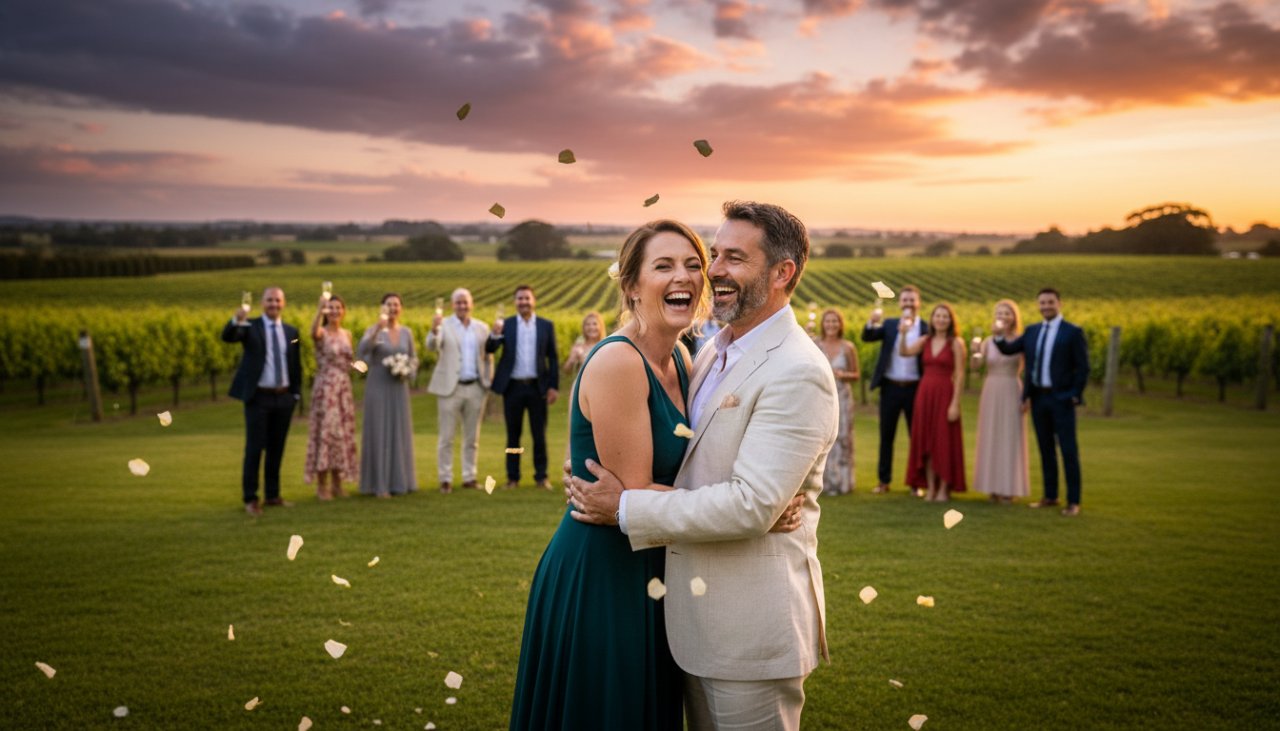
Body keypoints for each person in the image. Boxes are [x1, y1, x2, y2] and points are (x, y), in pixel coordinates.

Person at [568, 200, 838, 731]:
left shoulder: (797, 369)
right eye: (713, 255)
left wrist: (624, 505)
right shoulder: (709, 351)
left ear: (782, 272)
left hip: (749, 631)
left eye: (734, 258)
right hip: (689, 619)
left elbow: (750, 506)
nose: (713, 271)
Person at [510, 219, 706, 730]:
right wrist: (752, 505)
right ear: (632, 285)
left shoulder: (681, 358)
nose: (682, 276)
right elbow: (634, 495)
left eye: (693, 265)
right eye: (663, 266)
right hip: (603, 570)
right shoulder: (619, 361)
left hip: (653, 564)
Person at [993, 288, 1089, 516]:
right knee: (1045, 449)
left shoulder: (1072, 332)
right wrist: (998, 335)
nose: (1046, 306)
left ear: (1059, 304)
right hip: (1038, 398)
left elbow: (1083, 367)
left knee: (1068, 451)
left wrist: (1074, 394)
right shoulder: (1032, 331)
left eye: (1050, 302)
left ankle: (1073, 501)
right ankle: (1050, 496)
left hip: (1062, 399)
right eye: (1042, 303)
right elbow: (1008, 349)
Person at [221, 286, 302, 516]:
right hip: (259, 398)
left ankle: (273, 495)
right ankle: (251, 498)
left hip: (284, 398)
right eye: (269, 300)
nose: (273, 304)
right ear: (262, 303)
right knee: (255, 448)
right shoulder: (250, 327)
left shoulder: (291, 331)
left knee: (277, 448)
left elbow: (295, 364)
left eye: (277, 300)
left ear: (283, 303)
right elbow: (228, 337)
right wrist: (236, 320)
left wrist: (295, 395)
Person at [487, 285, 559, 490]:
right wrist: (494, 334)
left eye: (527, 298)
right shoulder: (506, 325)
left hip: (537, 388)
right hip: (513, 388)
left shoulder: (546, 325)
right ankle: (513, 478)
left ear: (533, 301)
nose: (524, 302)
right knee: (513, 436)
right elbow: (490, 348)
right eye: (520, 299)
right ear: (515, 302)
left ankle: (541, 477)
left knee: (539, 435)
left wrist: (553, 386)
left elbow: (553, 358)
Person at [861, 285, 929, 495]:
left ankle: (916, 484)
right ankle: (884, 481)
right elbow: (868, 337)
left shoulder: (926, 328)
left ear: (918, 303)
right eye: (905, 300)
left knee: (916, 437)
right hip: (890, 387)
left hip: (915, 389)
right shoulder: (891, 324)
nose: (908, 303)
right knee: (886, 436)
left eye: (912, 300)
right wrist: (871, 322)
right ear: (900, 303)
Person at [898, 303, 967, 502]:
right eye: (938, 316)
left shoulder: (956, 343)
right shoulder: (925, 340)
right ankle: (930, 488)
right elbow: (904, 352)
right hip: (925, 394)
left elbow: (960, 375)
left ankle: (944, 488)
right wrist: (903, 334)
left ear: (951, 320)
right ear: (932, 319)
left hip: (945, 394)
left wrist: (955, 403)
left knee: (943, 441)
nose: (941, 320)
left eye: (945, 316)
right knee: (926, 441)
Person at [426, 288, 492, 493]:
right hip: (450, 389)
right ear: (452, 305)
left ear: (471, 304)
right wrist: (434, 330)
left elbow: (488, 356)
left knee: (472, 438)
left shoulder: (482, 327)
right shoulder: (443, 325)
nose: (462, 306)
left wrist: (487, 381)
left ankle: (469, 476)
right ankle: (445, 478)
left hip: (475, 388)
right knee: (446, 437)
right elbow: (431, 346)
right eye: (458, 302)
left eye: (465, 302)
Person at [357, 293, 418, 497]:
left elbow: (414, 358)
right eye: (388, 305)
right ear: (382, 308)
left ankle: (400, 482)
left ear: (401, 308)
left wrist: (407, 370)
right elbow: (362, 350)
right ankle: (379, 484)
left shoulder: (407, 332)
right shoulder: (373, 330)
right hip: (378, 385)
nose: (392, 308)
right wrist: (377, 329)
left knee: (399, 430)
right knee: (379, 429)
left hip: (398, 387)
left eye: (396, 304)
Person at [973, 299, 1030, 503]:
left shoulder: (1021, 340)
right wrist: (975, 351)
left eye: (1007, 313)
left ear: (1014, 317)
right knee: (991, 436)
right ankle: (992, 488)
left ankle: (1009, 488)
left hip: (1011, 387)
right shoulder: (988, 341)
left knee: (1010, 437)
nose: (1003, 317)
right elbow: (975, 367)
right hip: (991, 388)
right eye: (999, 313)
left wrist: (1027, 397)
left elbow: (1028, 369)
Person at [304, 294, 358, 500]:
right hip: (326, 389)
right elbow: (313, 333)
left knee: (340, 435)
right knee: (326, 433)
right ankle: (321, 485)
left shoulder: (347, 334)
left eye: (338, 308)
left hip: (343, 388)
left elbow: (349, 361)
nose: (335, 311)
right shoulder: (322, 332)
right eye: (331, 308)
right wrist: (320, 310)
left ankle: (337, 483)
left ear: (343, 311)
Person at [814, 308, 860, 496]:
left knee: (843, 438)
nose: (831, 325)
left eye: (835, 321)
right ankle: (823, 482)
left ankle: (844, 482)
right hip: (821, 397)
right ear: (823, 324)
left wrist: (843, 374)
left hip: (842, 397)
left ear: (840, 324)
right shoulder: (815, 344)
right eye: (828, 321)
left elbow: (856, 375)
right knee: (822, 438)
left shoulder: (848, 347)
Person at [561, 311, 605, 379]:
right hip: (581, 383)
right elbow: (567, 371)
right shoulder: (579, 345)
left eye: (595, 324)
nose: (591, 327)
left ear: (601, 326)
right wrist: (571, 360)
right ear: (583, 327)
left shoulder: (605, 346)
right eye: (587, 324)